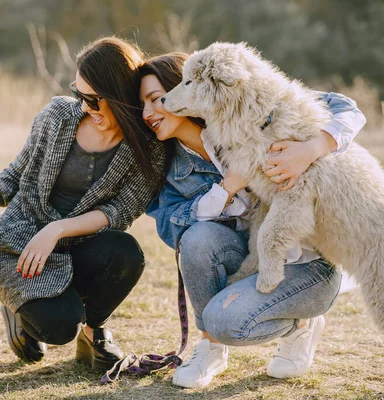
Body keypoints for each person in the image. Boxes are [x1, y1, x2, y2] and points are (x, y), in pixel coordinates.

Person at [140, 53, 366, 387]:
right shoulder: (173, 166)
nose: (150, 113)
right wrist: (228, 186)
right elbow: (174, 229)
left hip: (306, 260)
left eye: (157, 99)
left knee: (228, 321)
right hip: (250, 257)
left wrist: (314, 146)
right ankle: (210, 348)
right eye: (142, 104)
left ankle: (300, 324)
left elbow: (346, 107)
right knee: (198, 239)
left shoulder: (262, 107)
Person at [0, 37, 165, 370]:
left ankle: (94, 331)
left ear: (121, 97)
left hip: (81, 245)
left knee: (126, 253)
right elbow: (12, 177)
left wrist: (58, 229)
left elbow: (120, 212)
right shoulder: (57, 116)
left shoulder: (149, 148)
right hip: (24, 247)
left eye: (93, 100)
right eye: (78, 95)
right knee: (58, 328)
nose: (84, 107)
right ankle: (18, 309)